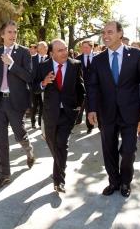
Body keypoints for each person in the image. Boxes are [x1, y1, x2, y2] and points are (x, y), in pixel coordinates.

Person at [88, 21, 140, 198]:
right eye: (104, 33)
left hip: (130, 111)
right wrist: (92, 109)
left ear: (120, 33)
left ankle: (126, 181)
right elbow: (93, 87)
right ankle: (114, 181)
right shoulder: (98, 60)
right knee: (108, 149)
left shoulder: (136, 55)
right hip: (106, 112)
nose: (106, 35)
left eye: (110, 32)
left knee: (128, 150)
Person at [0, 20, 36, 189]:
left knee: (19, 134)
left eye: (15, 32)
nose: (13, 35)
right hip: (0, 102)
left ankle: (28, 150)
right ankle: (5, 175)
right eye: (9, 32)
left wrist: (12, 64)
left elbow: (29, 77)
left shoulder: (23, 52)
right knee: (1, 140)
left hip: (16, 102)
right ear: (2, 35)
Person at [35, 38, 85, 193]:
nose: (65, 52)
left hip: (68, 113)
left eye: (65, 49)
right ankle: (59, 167)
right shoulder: (43, 66)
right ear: (51, 53)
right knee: (53, 143)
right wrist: (43, 83)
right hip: (50, 113)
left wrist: (79, 108)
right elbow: (34, 88)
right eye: (60, 50)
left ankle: (59, 180)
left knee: (61, 144)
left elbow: (80, 88)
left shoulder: (75, 65)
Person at [75, 39, 95, 132]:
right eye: (82, 47)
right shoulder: (77, 59)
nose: (84, 49)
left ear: (92, 47)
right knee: (83, 106)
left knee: (91, 107)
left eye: (86, 47)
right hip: (82, 87)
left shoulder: (98, 58)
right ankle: (83, 123)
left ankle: (92, 125)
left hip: (94, 87)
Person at [30, 41, 49, 129]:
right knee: (33, 105)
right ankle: (33, 122)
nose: (45, 49)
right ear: (38, 49)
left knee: (43, 105)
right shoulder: (31, 59)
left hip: (45, 86)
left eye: (45, 47)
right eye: (42, 47)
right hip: (33, 86)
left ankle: (40, 123)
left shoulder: (50, 59)